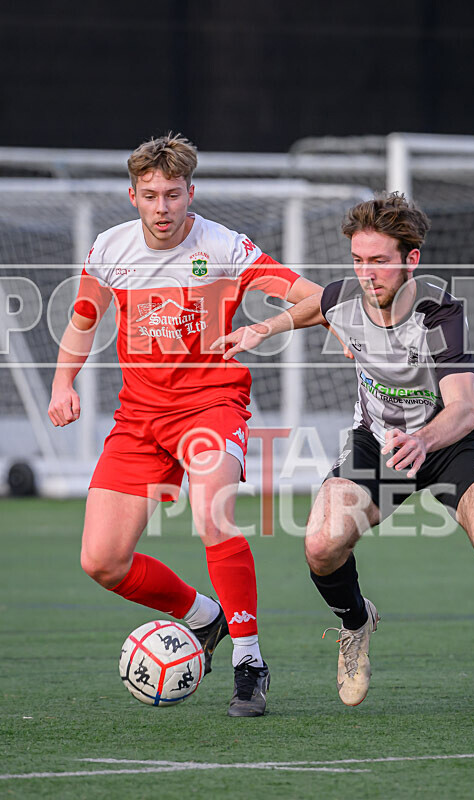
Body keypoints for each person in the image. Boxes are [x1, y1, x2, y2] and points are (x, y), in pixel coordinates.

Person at [213, 192, 474, 719]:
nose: (366, 274)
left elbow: (463, 411)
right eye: (357, 260)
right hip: (377, 443)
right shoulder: (348, 294)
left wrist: (423, 441)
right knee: (322, 545)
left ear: (410, 259)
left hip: (447, 444)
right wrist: (265, 327)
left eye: (378, 261)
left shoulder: (438, 312)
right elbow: (318, 303)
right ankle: (356, 624)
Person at [48, 133, 322, 717]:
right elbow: (83, 316)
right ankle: (205, 616)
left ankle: (249, 659)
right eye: (151, 195)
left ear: (190, 193)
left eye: (173, 194)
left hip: (210, 406)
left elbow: (315, 299)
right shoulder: (109, 249)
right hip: (139, 418)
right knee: (101, 561)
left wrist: (265, 329)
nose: (163, 207)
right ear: (133, 196)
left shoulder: (224, 247)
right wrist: (62, 382)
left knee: (211, 515)